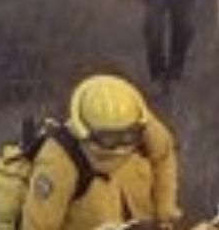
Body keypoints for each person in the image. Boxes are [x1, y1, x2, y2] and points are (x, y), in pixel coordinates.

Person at [19, 74, 181, 230]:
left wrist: (164, 212)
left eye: (129, 135)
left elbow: (163, 156)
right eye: (109, 138)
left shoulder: (138, 122)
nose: (121, 146)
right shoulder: (57, 162)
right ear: (86, 133)